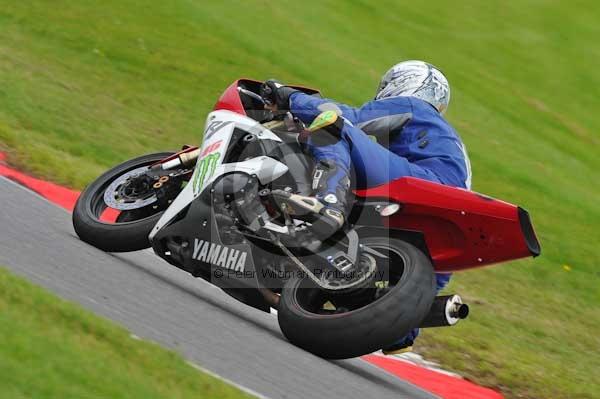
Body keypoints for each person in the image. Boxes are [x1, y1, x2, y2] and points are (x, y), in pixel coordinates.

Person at [260, 60, 472, 354]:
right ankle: (401, 331)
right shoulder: (450, 144)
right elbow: (428, 274)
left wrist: (290, 97)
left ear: (405, 83)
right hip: (442, 216)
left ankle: (328, 202)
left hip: (423, 184)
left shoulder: (413, 106)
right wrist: (402, 315)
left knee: (330, 128)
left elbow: (349, 119)